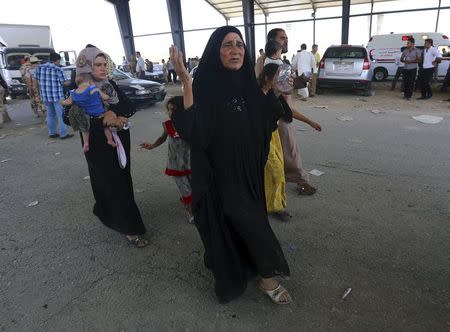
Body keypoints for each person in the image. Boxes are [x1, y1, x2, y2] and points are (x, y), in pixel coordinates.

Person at [170, 26, 292, 304]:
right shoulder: (204, 84)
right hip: (218, 173)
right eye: (227, 45)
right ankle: (266, 278)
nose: (235, 49)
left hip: (247, 170)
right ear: (216, 51)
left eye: (239, 44)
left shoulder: (248, 82)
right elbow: (195, 131)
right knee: (245, 223)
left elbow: (265, 122)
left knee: (249, 221)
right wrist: (186, 83)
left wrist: (271, 91)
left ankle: (256, 269)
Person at [73, 45, 148, 247]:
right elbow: (69, 117)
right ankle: (129, 227)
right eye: (97, 65)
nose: (103, 68)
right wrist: (101, 118)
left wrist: (116, 114)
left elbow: (129, 106)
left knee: (122, 180)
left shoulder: (110, 84)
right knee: (107, 181)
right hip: (96, 144)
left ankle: (119, 217)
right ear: (86, 66)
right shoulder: (78, 88)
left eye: (105, 64)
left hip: (120, 139)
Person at [266, 28, 320, 195]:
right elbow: (284, 89)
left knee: (282, 153)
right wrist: (299, 81)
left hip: (281, 112)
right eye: (282, 38)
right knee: (290, 152)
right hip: (279, 115)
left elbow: (285, 87)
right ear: (273, 41)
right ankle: (301, 182)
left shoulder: (276, 62)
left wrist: (300, 80)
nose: (286, 41)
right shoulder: (274, 64)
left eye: (286, 38)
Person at [140, 96, 194, 223]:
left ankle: (195, 206)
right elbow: (162, 138)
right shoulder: (167, 125)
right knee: (185, 191)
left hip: (191, 163)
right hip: (175, 164)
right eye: (168, 110)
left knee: (195, 189)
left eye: (173, 110)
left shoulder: (190, 124)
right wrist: (152, 145)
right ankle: (191, 212)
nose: (170, 113)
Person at [258, 63, 294, 222]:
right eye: (277, 74)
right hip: (261, 139)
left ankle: (275, 205)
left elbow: (287, 115)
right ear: (267, 78)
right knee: (276, 172)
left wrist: (281, 93)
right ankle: (271, 207)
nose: (281, 78)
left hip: (273, 137)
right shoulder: (256, 95)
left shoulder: (273, 94)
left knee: (274, 173)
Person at [61, 73, 116, 152]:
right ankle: (110, 140)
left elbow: (68, 102)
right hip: (100, 114)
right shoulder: (93, 89)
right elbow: (106, 97)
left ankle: (86, 143)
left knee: (85, 130)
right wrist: (101, 92)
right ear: (90, 82)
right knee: (106, 127)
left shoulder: (73, 92)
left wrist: (62, 102)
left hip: (86, 116)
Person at [34, 52, 73, 139]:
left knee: (50, 115)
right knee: (60, 115)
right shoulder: (58, 69)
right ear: (57, 60)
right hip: (57, 96)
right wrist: (72, 81)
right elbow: (64, 83)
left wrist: (39, 92)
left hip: (45, 96)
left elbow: (35, 82)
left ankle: (52, 133)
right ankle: (63, 134)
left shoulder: (39, 68)